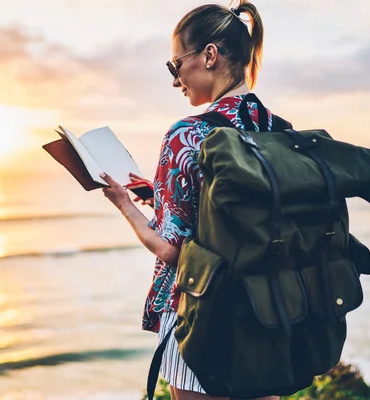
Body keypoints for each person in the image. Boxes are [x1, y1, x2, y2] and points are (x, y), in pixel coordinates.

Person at [100, 1, 280, 399]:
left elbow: (170, 249)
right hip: (266, 310)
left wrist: (123, 204)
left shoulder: (187, 135)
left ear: (209, 55)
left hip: (201, 313)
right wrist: (160, 197)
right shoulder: (275, 127)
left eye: (174, 65)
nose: (175, 79)